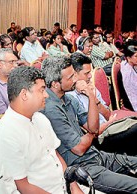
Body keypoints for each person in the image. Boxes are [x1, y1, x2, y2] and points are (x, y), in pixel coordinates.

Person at [42, 55, 137, 193]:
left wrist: (90, 95)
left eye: (74, 75)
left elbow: (94, 128)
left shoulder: (68, 98)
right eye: (70, 78)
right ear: (55, 84)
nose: (75, 79)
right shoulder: (50, 109)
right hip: (82, 167)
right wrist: (92, 133)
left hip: (96, 155)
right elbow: (80, 147)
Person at [0, 66, 83, 194]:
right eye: (42, 90)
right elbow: (22, 187)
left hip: (64, 186)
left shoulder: (40, 118)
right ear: (24, 94)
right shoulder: (6, 134)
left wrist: (73, 186)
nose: (46, 95)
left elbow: (55, 154)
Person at [68, 52, 137, 155]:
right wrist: (110, 122)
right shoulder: (71, 97)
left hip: (109, 127)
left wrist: (93, 97)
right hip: (99, 139)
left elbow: (108, 115)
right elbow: (93, 132)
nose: (90, 76)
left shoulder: (90, 87)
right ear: (75, 74)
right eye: (86, 73)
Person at [120, 40, 137, 112]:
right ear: (128, 58)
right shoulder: (127, 72)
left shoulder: (132, 65)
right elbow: (132, 95)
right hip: (131, 102)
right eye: (136, 56)